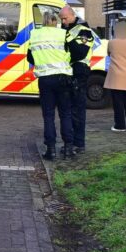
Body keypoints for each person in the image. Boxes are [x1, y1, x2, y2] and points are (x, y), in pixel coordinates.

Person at [27, 11, 73, 160]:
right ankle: (68, 148)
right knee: (65, 113)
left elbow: (30, 57)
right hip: (63, 77)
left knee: (48, 115)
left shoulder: (35, 34)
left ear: (43, 21)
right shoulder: (63, 34)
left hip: (45, 79)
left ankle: (51, 149)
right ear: (55, 21)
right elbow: (72, 52)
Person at [60, 5, 97, 154]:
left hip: (80, 71)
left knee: (78, 110)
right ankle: (70, 142)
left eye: (65, 18)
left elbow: (80, 52)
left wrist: (66, 38)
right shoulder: (66, 30)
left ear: (72, 15)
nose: (63, 22)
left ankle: (79, 143)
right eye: (61, 19)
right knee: (68, 110)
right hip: (68, 71)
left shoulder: (84, 31)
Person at [105, 21, 126, 131]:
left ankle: (119, 125)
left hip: (115, 76)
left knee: (118, 102)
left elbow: (109, 54)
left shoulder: (111, 43)